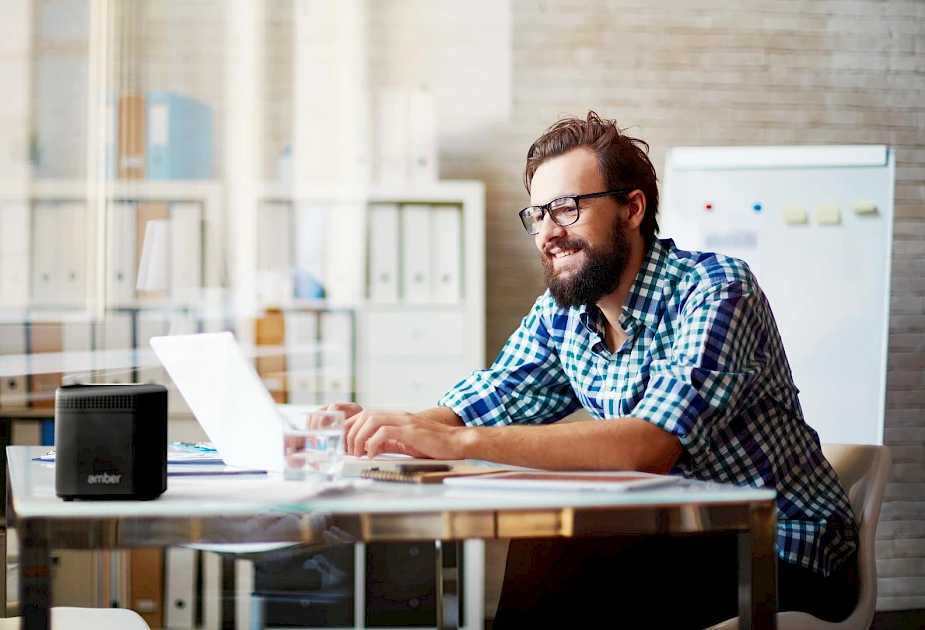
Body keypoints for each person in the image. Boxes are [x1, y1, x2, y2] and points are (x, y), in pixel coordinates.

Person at [326, 112, 859, 627]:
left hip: (783, 550)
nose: (547, 233)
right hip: (675, 538)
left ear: (632, 208)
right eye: (537, 215)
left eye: (566, 208)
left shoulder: (717, 289)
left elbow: (649, 447)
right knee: (554, 549)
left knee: (564, 559)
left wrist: (459, 444)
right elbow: (485, 398)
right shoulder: (564, 314)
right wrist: (390, 431)